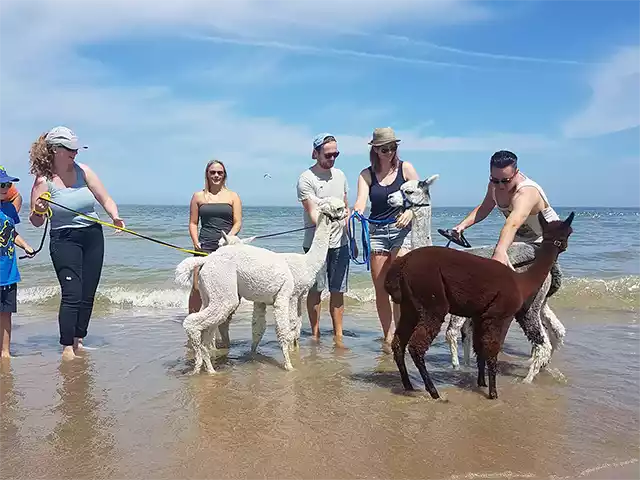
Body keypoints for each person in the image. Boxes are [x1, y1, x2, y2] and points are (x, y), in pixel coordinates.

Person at [28, 126, 125, 361]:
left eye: (75, 148)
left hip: (92, 235)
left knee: (88, 292)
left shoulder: (85, 171)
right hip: (64, 238)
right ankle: (66, 347)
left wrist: (115, 216)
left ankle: (79, 340)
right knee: (72, 293)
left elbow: (105, 198)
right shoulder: (44, 181)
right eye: (69, 149)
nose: (75, 153)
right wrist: (39, 210)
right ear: (54, 150)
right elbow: (36, 221)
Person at [352, 127, 419, 352]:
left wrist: (410, 211)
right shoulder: (366, 174)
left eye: (392, 147)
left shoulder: (406, 168)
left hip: (402, 231)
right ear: (375, 150)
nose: (389, 152)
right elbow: (361, 201)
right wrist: (357, 212)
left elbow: (421, 197)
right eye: (384, 149)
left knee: (399, 286)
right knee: (381, 287)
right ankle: (388, 337)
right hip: (377, 233)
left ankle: (402, 332)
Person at [452, 150, 560, 266]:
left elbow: (513, 223)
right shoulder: (494, 186)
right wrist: (462, 226)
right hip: (519, 239)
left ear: (516, 173)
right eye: (495, 180)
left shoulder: (526, 192)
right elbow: (485, 207)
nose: (500, 186)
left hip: (545, 239)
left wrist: (500, 251)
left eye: (505, 181)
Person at [296, 133, 350, 347]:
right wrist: (334, 215)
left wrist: (351, 238)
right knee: (315, 290)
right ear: (315, 153)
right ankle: (315, 334)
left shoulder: (340, 175)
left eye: (336, 154)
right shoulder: (306, 179)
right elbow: (313, 215)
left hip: (341, 243)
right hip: (315, 244)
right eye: (328, 154)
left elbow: (347, 206)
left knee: (338, 290)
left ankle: (338, 337)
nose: (332, 158)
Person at [188, 159, 242, 348]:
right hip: (203, 246)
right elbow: (193, 223)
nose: (216, 175)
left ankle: (223, 330)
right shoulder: (198, 196)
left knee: (227, 291)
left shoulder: (233, 196)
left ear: (224, 175)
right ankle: (193, 329)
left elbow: (237, 222)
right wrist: (196, 244)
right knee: (197, 287)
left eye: (219, 172)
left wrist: (228, 239)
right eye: (213, 172)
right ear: (207, 175)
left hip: (226, 248)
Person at [0, 167, 35, 359]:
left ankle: (5, 353)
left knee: (6, 314)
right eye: (2, 184)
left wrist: (26, 246)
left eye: (8, 184)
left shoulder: (8, 209)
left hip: (8, 272)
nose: (7, 187)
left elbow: (11, 233)